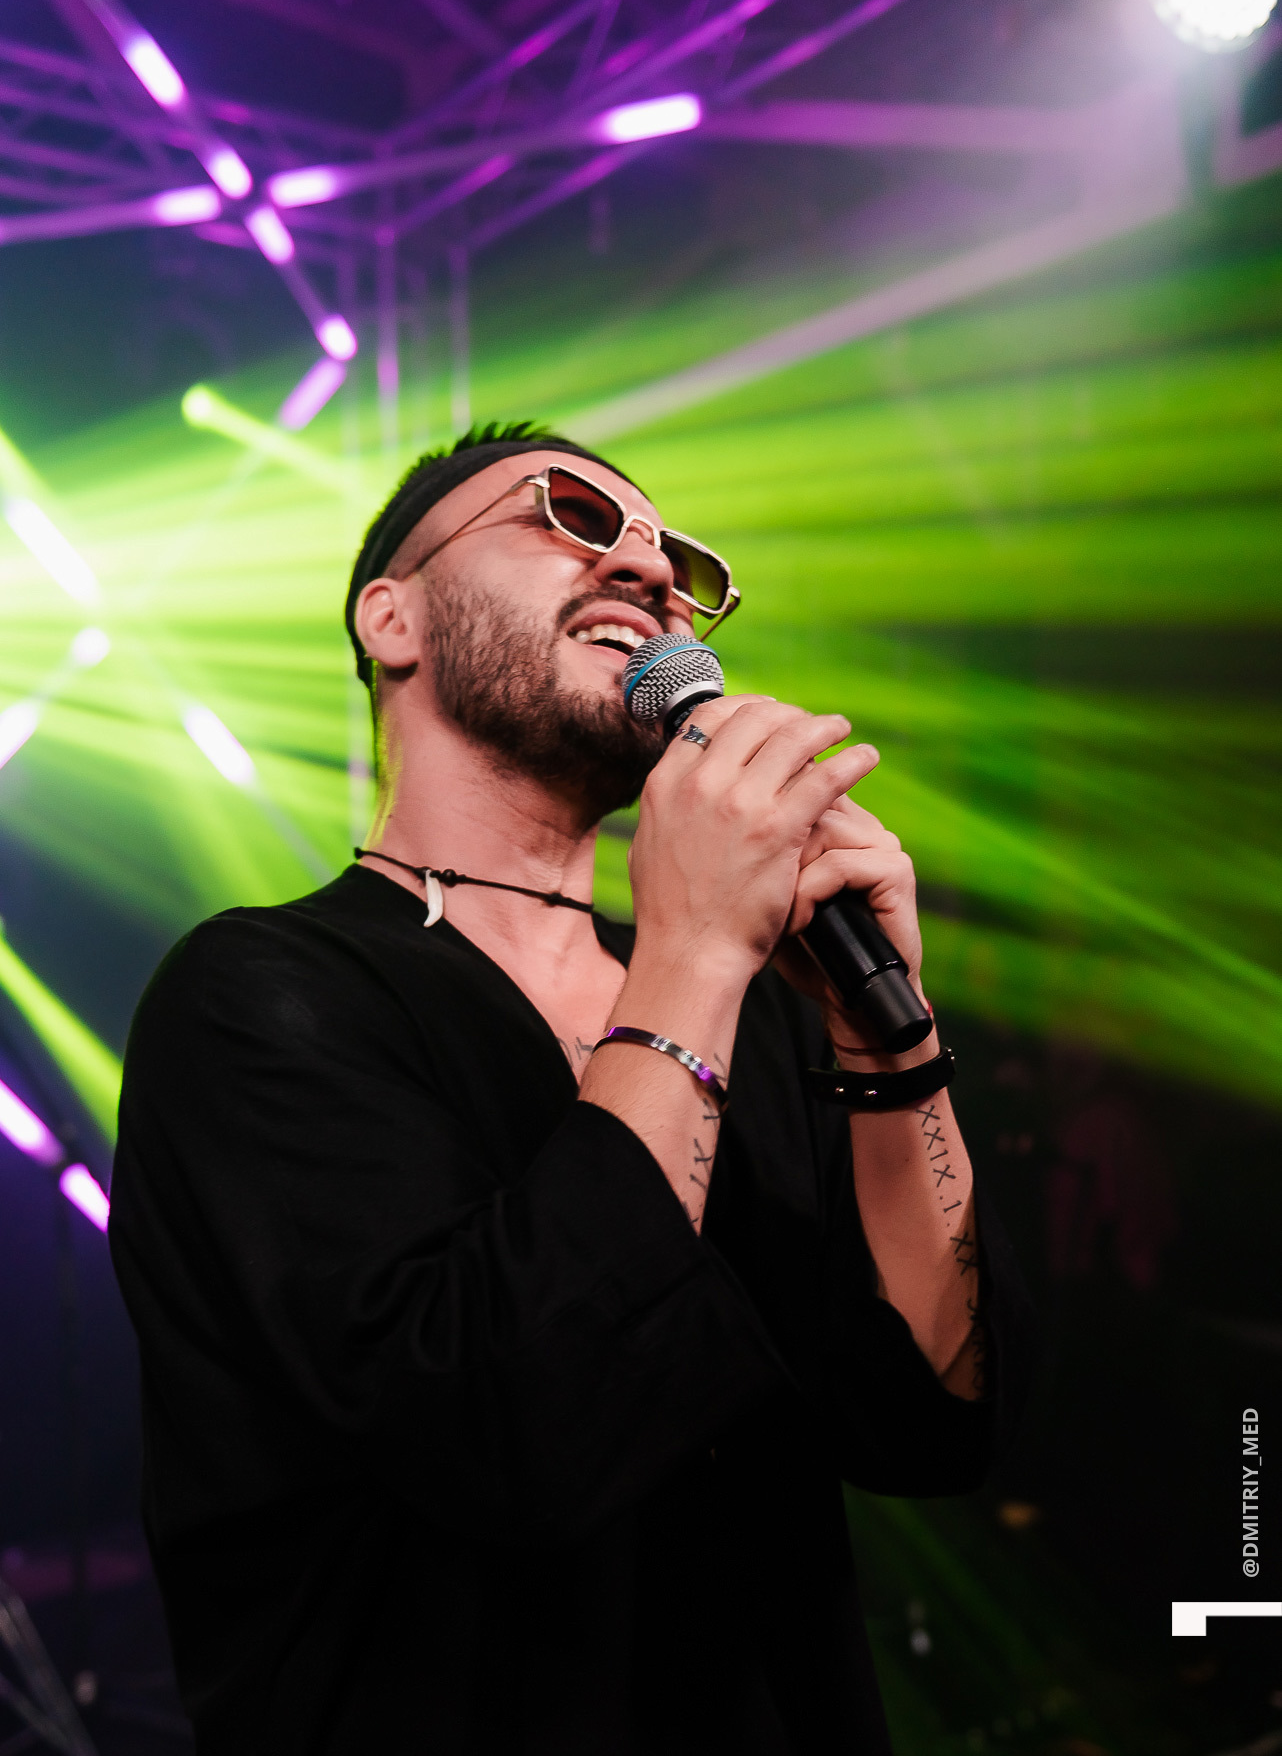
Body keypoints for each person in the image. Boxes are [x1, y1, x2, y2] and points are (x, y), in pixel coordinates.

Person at [109, 420, 1035, 1755]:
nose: (650, 573)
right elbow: (508, 1430)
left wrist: (888, 1040)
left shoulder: (751, 1006)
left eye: (678, 562)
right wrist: (696, 949)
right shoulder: (260, 994)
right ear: (390, 618)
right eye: (570, 514)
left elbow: (933, 1423)